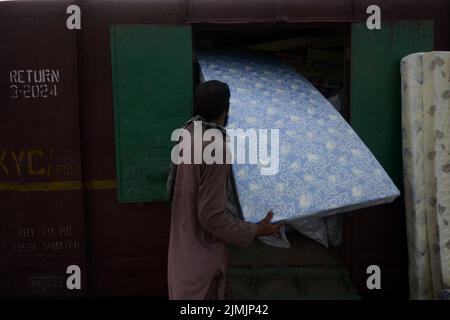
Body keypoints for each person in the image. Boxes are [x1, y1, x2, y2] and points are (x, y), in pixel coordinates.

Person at [167, 80, 283, 300]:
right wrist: (255, 230)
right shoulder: (216, 147)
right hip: (201, 265)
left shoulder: (188, 131)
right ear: (226, 109)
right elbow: (211, 216)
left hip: (182, 254)